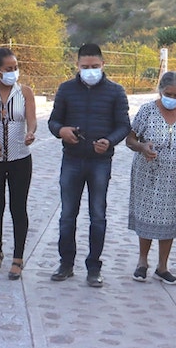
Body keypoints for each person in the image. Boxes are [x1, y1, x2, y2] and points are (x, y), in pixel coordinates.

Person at [48, 43, 130, 287]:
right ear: (77, 66)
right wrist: (62, 131)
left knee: (97, 216)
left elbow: (124, 125)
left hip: (100, 163)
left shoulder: (116, 92)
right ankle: (66, 264)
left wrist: (110, 141)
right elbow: (53, 122)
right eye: (85, 67)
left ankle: (94, 267)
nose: (90, 71)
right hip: (72, 159)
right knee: (67, 216)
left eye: (95, 66)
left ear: (103, 65)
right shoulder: (66, 89)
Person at [126, 71, 176, 285]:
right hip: (147, 173)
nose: (172, 98)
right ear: (160, 90)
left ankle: (163, 266)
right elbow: (130, 139)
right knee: (147, 216)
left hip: (175, 176)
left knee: (169, 220)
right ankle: (142, 262)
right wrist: (141, 147)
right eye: (168, 94)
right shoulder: (147, 110)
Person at [0, 47, 37, 280]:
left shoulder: (25, 92)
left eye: (16, 68)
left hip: (20, 157)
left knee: (18, 207)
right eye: (9, 69)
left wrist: (31, 133)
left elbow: (31, 121)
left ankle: (18, 257)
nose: (14, 72)